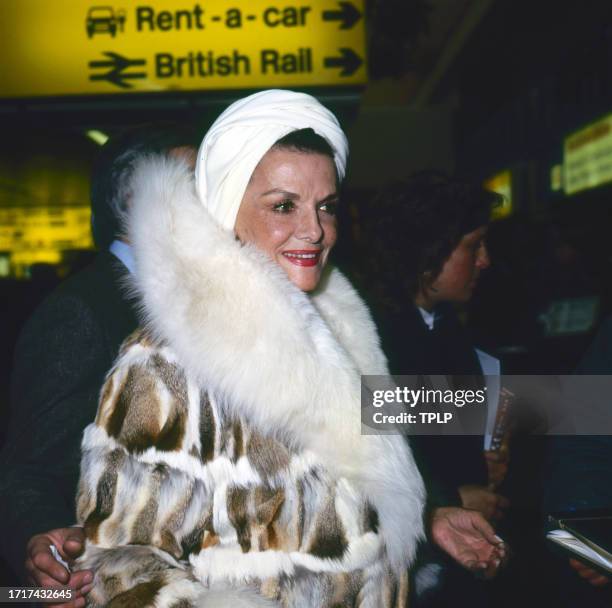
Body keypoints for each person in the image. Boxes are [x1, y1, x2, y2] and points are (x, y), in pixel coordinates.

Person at [72, 90, 504, 606]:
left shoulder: (339, 328)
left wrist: (428, 517)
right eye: (283, 206)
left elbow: (343, 487)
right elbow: (119, 565)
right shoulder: (164, 364)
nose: (315, 230)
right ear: (226, 210)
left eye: (326, 206)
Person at [0, 125, 195, 607]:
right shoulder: (82, 311)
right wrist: (41, 546)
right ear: (132, 200)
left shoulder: (185, 296)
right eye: (191, 181)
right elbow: (27, 469)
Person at [364, 172, 508, 605]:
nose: (485, 260)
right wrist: (444, 501)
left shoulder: (448, 329)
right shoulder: (371, 342)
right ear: (429, 251)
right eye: (473, 245)